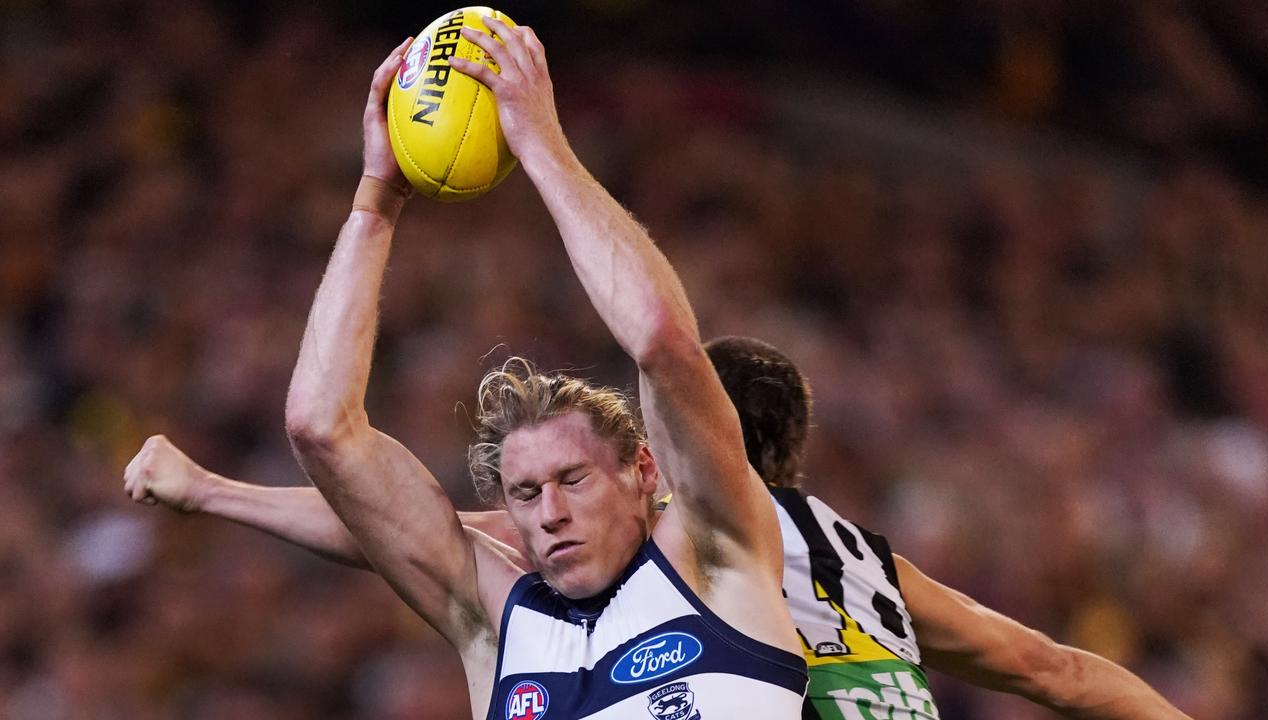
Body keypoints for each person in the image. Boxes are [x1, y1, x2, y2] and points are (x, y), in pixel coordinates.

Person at [127, 337, 1195, 720]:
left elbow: (400, 530)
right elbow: (1051, 669)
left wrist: (214, 492)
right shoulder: (860, 558)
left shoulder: (685, 543)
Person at [250, 21, 806, 720]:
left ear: (643, 470)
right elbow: (319, 427)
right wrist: (376, 198)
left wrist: (542, 144)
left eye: (573, 479)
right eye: (525, 492)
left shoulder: (718, 555)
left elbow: (662, 339)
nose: (550, 515)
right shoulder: (495, 623)